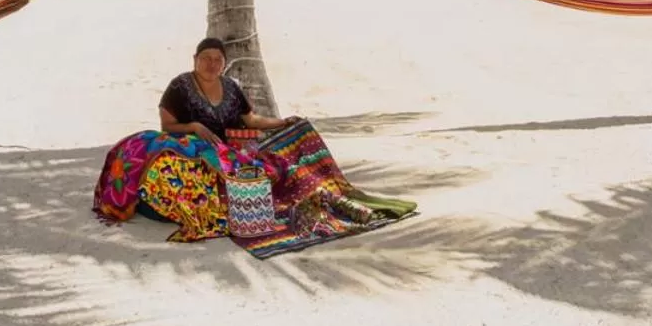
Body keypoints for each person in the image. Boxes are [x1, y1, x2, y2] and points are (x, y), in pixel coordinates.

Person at [93, 38, 417, 258]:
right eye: (205, 58)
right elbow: (167, 126)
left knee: (272, 167)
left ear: (223, 63)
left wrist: (282, 123)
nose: (210, 64)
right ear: (195, 60)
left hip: (226, 149)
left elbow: (250, 119)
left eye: (217, 59)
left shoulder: (232, 87)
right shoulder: (180, 86)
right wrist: (193, 126)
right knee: (175, 169)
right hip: (185, 144)